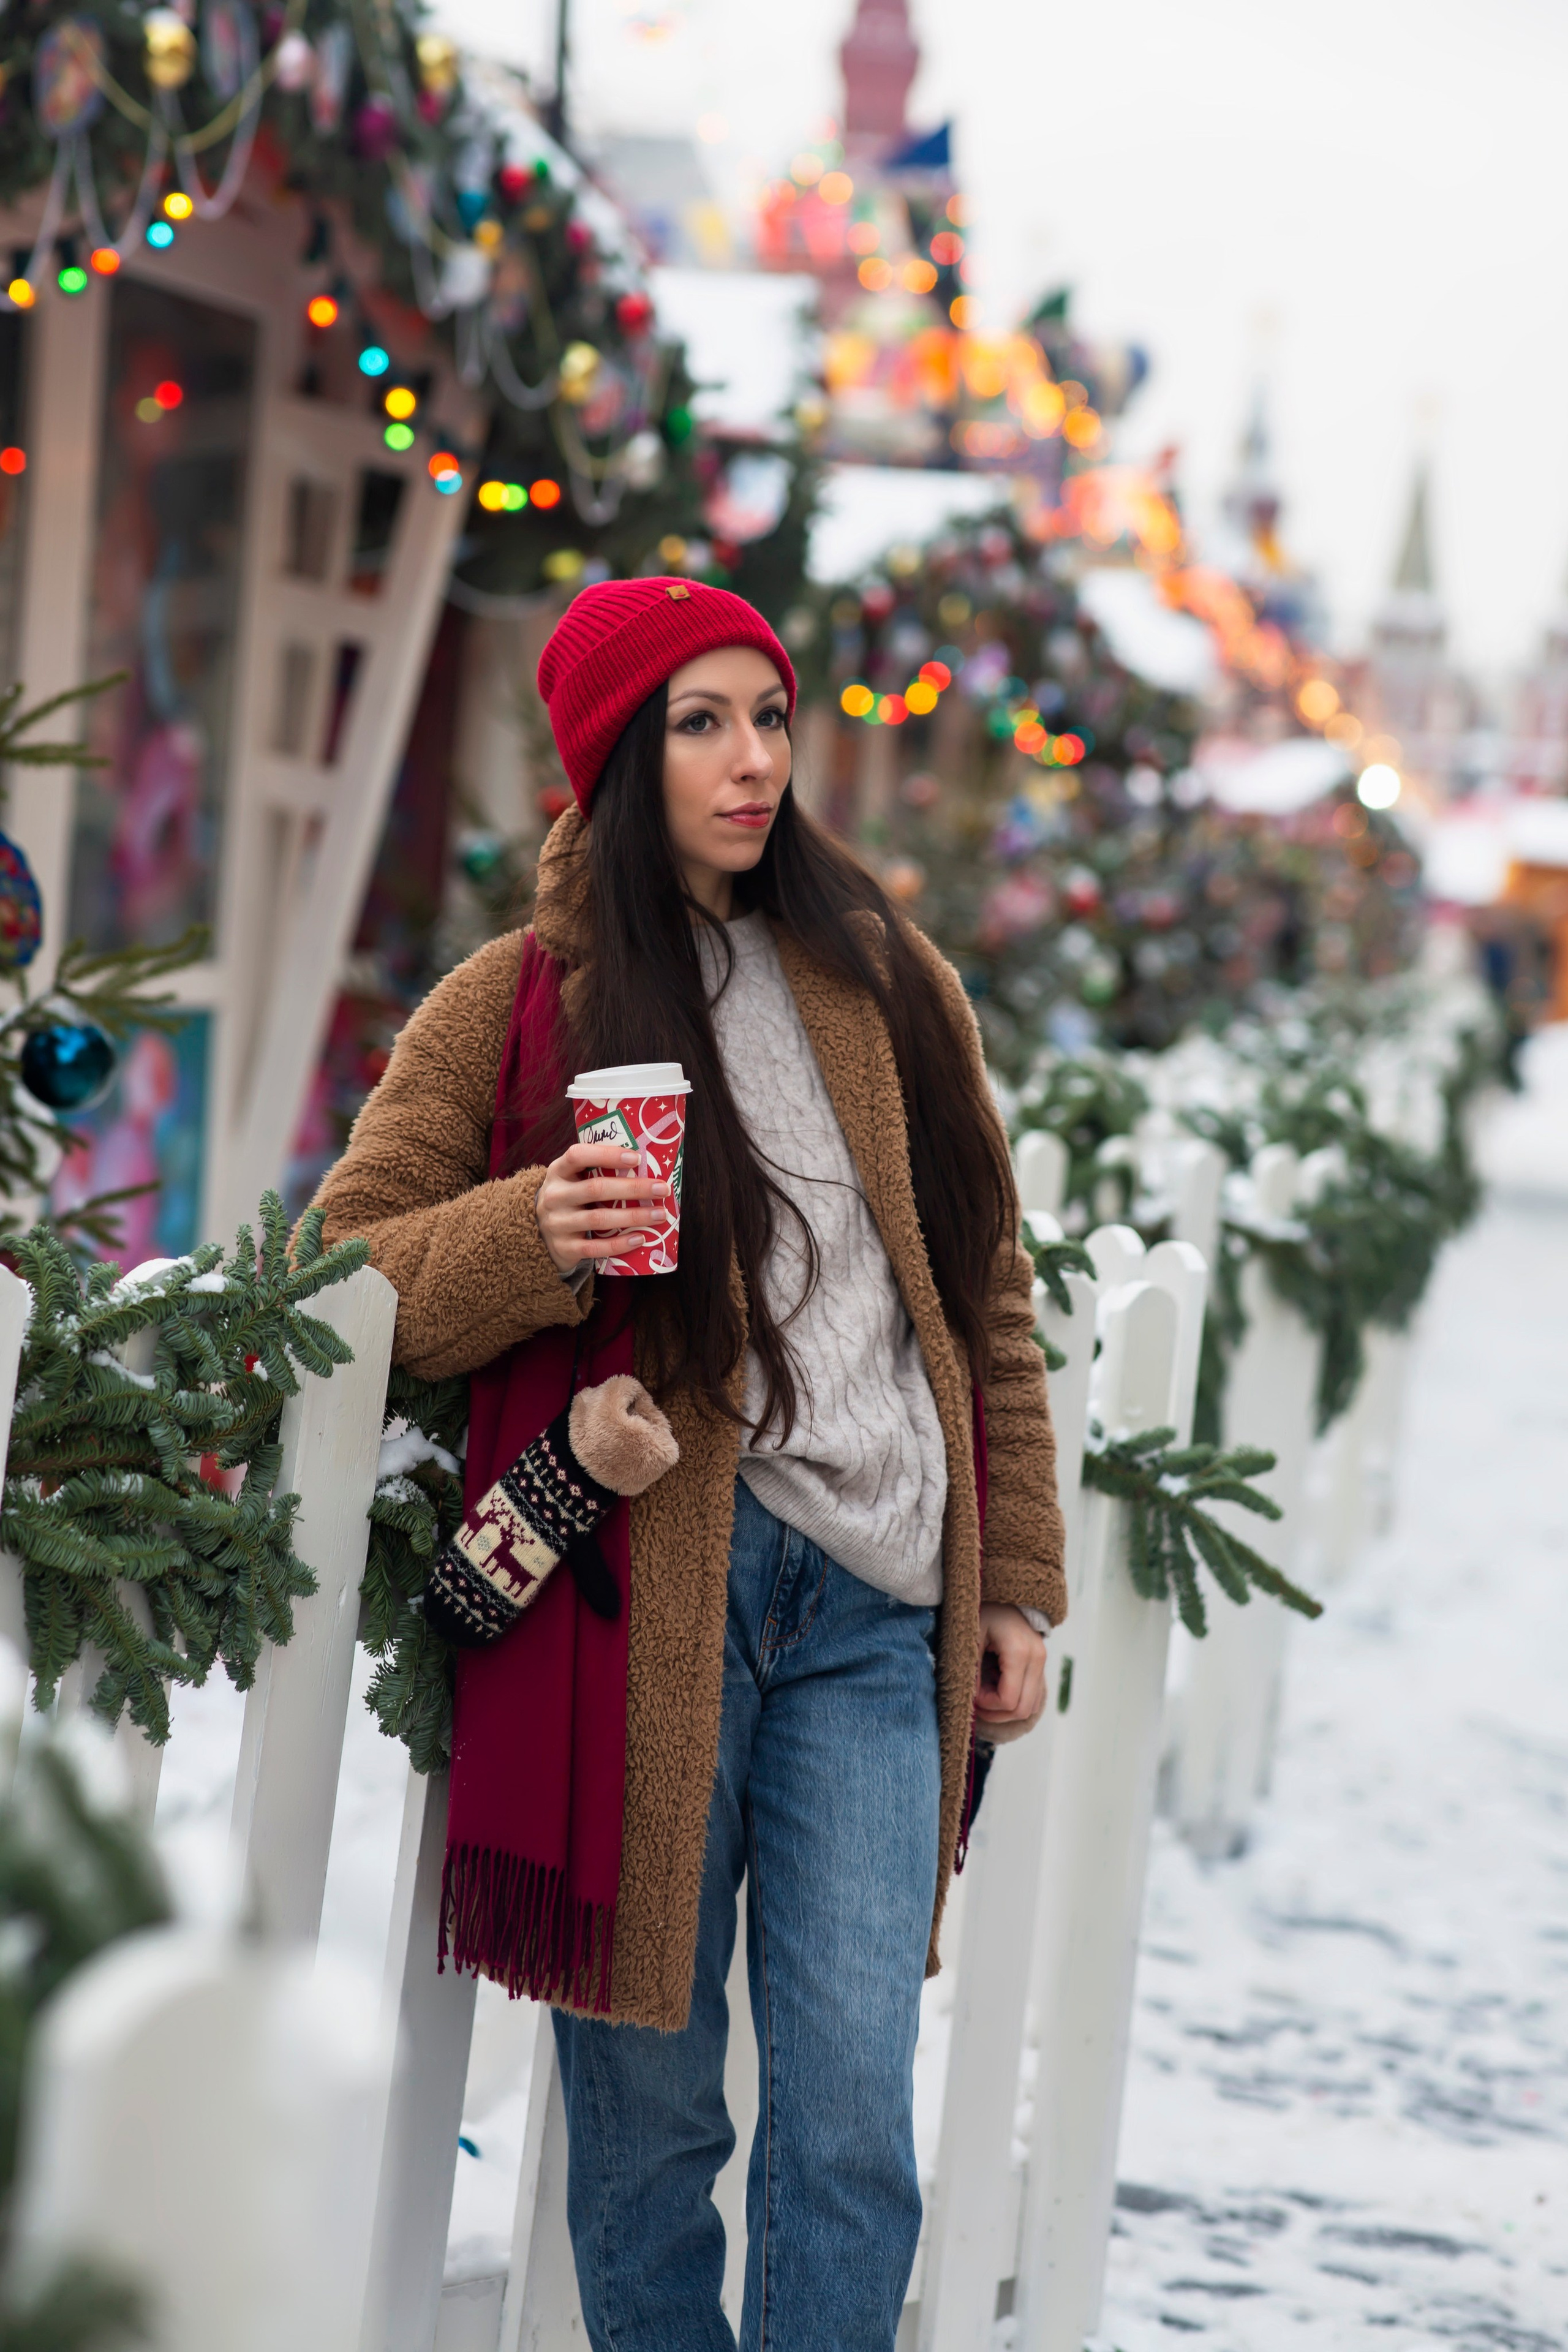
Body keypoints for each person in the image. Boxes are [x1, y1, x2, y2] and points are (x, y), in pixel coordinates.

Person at [317, 576, 1066, 2352]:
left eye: (770, 717)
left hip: (877, 1617)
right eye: (699, 721)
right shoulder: (514, 1002)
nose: (752, 761)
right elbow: (345, 1279)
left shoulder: (892, 982)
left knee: (856, 2130)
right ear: (612, 753)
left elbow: (989, 1300)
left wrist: (1019, 1578)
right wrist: (537, 1228)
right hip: (643, 1609)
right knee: (653, 2135)